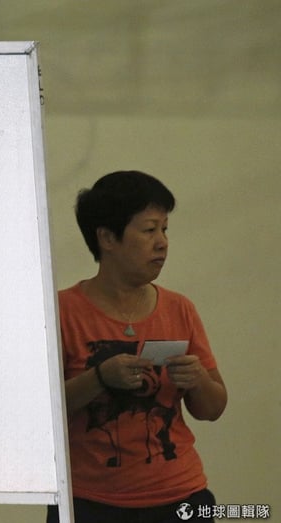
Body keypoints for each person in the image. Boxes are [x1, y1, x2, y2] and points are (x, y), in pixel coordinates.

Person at [48, 170, 227, 523]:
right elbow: (39, 415)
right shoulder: (61, 311)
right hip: (88, 502)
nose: (162, 242)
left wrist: (197, 380)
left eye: (165, 230)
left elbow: (212, 408)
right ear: (107, 238)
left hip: (181, 497)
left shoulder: (179, 309)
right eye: (149, 230)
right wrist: (100, 377)